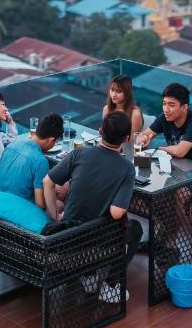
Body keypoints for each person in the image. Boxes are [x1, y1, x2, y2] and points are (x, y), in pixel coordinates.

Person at [43, 111, 142, 300]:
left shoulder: (80, 152)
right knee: (134, 228)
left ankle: (89, 277)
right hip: (92, 239)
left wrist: (55, 216)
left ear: (100, 131)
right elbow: (116, 212)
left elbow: (47, 181)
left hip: (66, 234)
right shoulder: (127, 167)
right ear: (127, 138)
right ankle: (110, 286)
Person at [138, 82, 192, 166]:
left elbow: (180, 152)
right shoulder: (164, 118)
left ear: (184, 107)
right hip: (181, 167)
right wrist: (142, 140)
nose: (166, 109)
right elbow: (144, 135)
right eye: (164, 104)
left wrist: (160, 149)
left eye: (171, 105)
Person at [0, 113, 63, 208]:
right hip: (19, 211)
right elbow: (40, 205)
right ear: (51, 140)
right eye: (55, 143)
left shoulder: (11, 146)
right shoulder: (40, 161)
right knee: (59, 205)